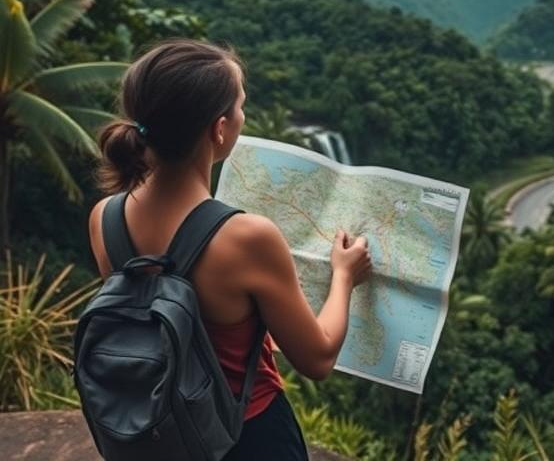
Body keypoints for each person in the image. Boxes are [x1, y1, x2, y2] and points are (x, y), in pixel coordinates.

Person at [87, 37, 371, 460]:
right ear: (219, 128)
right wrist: (344, 275)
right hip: (246, 437)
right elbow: (318, 358)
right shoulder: (246, 237)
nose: (243, 115)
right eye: (240, 105)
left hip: (155, 431)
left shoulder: (105, 217)